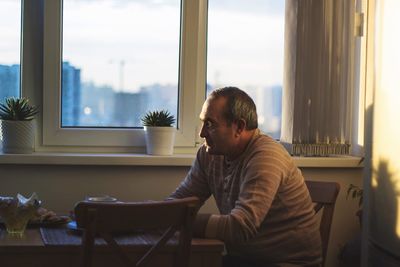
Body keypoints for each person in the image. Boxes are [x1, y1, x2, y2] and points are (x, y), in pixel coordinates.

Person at [170, 86, 322, 267]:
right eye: (203, 123)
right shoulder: (209, 154)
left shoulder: (266, 156)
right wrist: (144, 217)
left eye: (210, 124)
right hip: (243, 261)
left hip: (288, 263)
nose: (202, 133)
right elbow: (179, 201)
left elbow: (241, 226)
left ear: (239, 127)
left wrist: (179, 220)